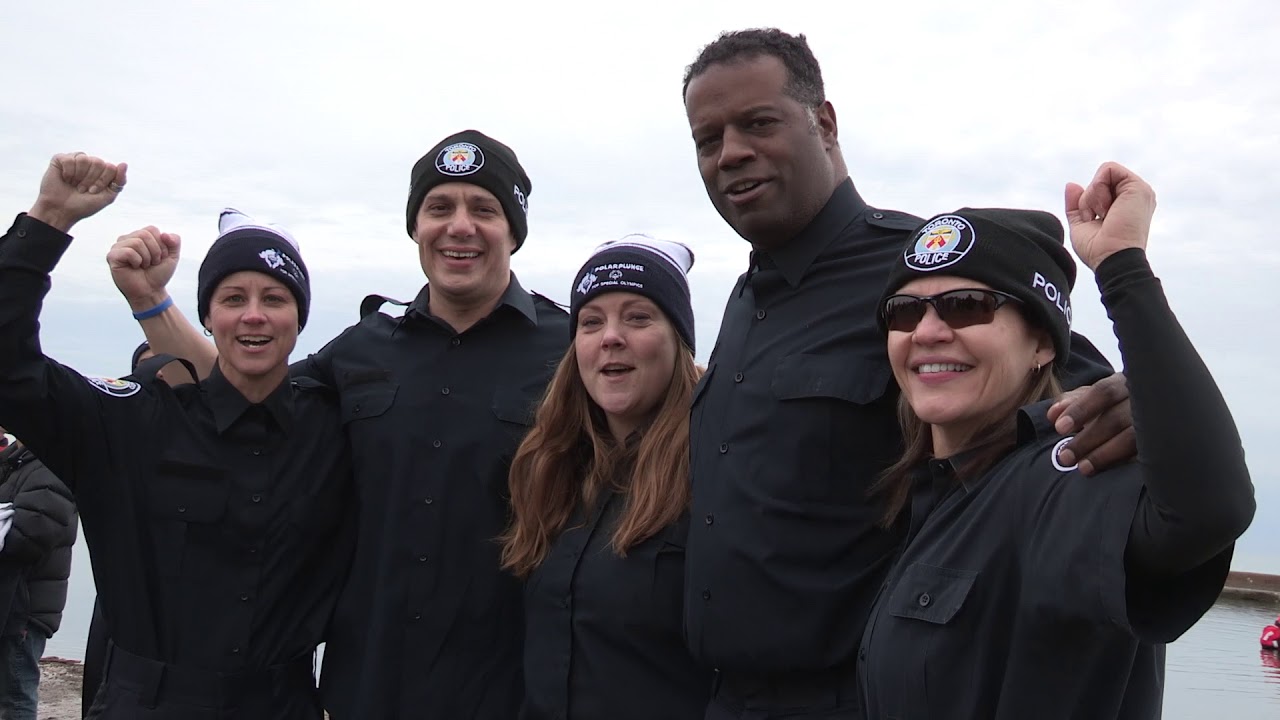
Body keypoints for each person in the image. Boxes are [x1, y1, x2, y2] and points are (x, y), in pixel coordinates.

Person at [680, 28, 1137, 718]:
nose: (731, 152)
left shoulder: (919, 278)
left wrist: (1141, 409)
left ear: (824, 123)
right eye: (707, 139)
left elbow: (1077, 394)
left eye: (758, 123)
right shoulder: (747, 300)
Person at [111, 131, 570, 718]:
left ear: (513, 230)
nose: (459, 226)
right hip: (368, 686)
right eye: (438, 208)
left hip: (511, 688)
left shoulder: (571, 349)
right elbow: (235, 388)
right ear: (415, 228)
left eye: (484, 208)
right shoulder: (361, 348)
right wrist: (151, 302)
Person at [858, 162, 1254, 717]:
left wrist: (1122, 269)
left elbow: (1208, 510)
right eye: (904, 311)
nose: (927, 331)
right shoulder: (931, 497)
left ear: (1043, 342)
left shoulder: (1066, 473)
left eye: (966, 305)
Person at [0, 152, 355, 719]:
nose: (254, 316)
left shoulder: (337, 429)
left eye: (275, 299)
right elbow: (11, 373)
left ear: (301, 317)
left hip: (284, 703)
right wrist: (48, 219)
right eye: (233, 299)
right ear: (207, 318)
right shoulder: (130, 422)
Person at [504, 235, 712, 719]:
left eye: (638, 317)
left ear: (678, 339)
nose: (610, 337)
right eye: (591, 322)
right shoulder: (552, 470)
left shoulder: (718, 473)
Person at [81, 341, 194, 717]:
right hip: (122, 606)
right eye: (148, 369)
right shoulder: (115, 446)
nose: (159, 378)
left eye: (168, 369)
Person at [0, 429, 78, 720]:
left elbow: (33, 532)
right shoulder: (16, 464)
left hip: (25, 608)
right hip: (10, 603)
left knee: (16, 696)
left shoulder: (50, 468)